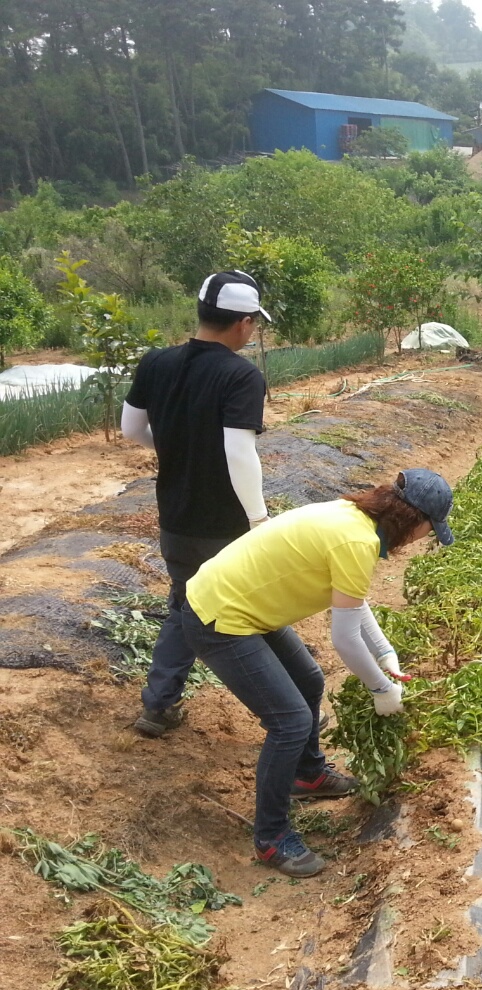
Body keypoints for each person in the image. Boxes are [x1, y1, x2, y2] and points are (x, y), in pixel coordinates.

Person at [181, 469, 455, 877]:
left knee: (308, 680)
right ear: (413, 519)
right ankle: (271, 838)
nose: (423, 539)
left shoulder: (354, 518)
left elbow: (352, 600)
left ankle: (307, 775)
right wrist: (381, 688)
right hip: (220, 615)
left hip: (248, 606)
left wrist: (385, 652)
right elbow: (343, 637)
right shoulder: (357, 540)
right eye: (430, 530)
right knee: (288, 721)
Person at [121, 270, 272, 738]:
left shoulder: (156, 362)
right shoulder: (240, 375)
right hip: (224, 525)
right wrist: (259, 518)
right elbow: (238, 452)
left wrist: (177, 448)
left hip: (176, 517)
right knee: (253, 615)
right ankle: (286, 710)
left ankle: (159, 705)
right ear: (244, 323)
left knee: (185, 605)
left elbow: (131, 430)